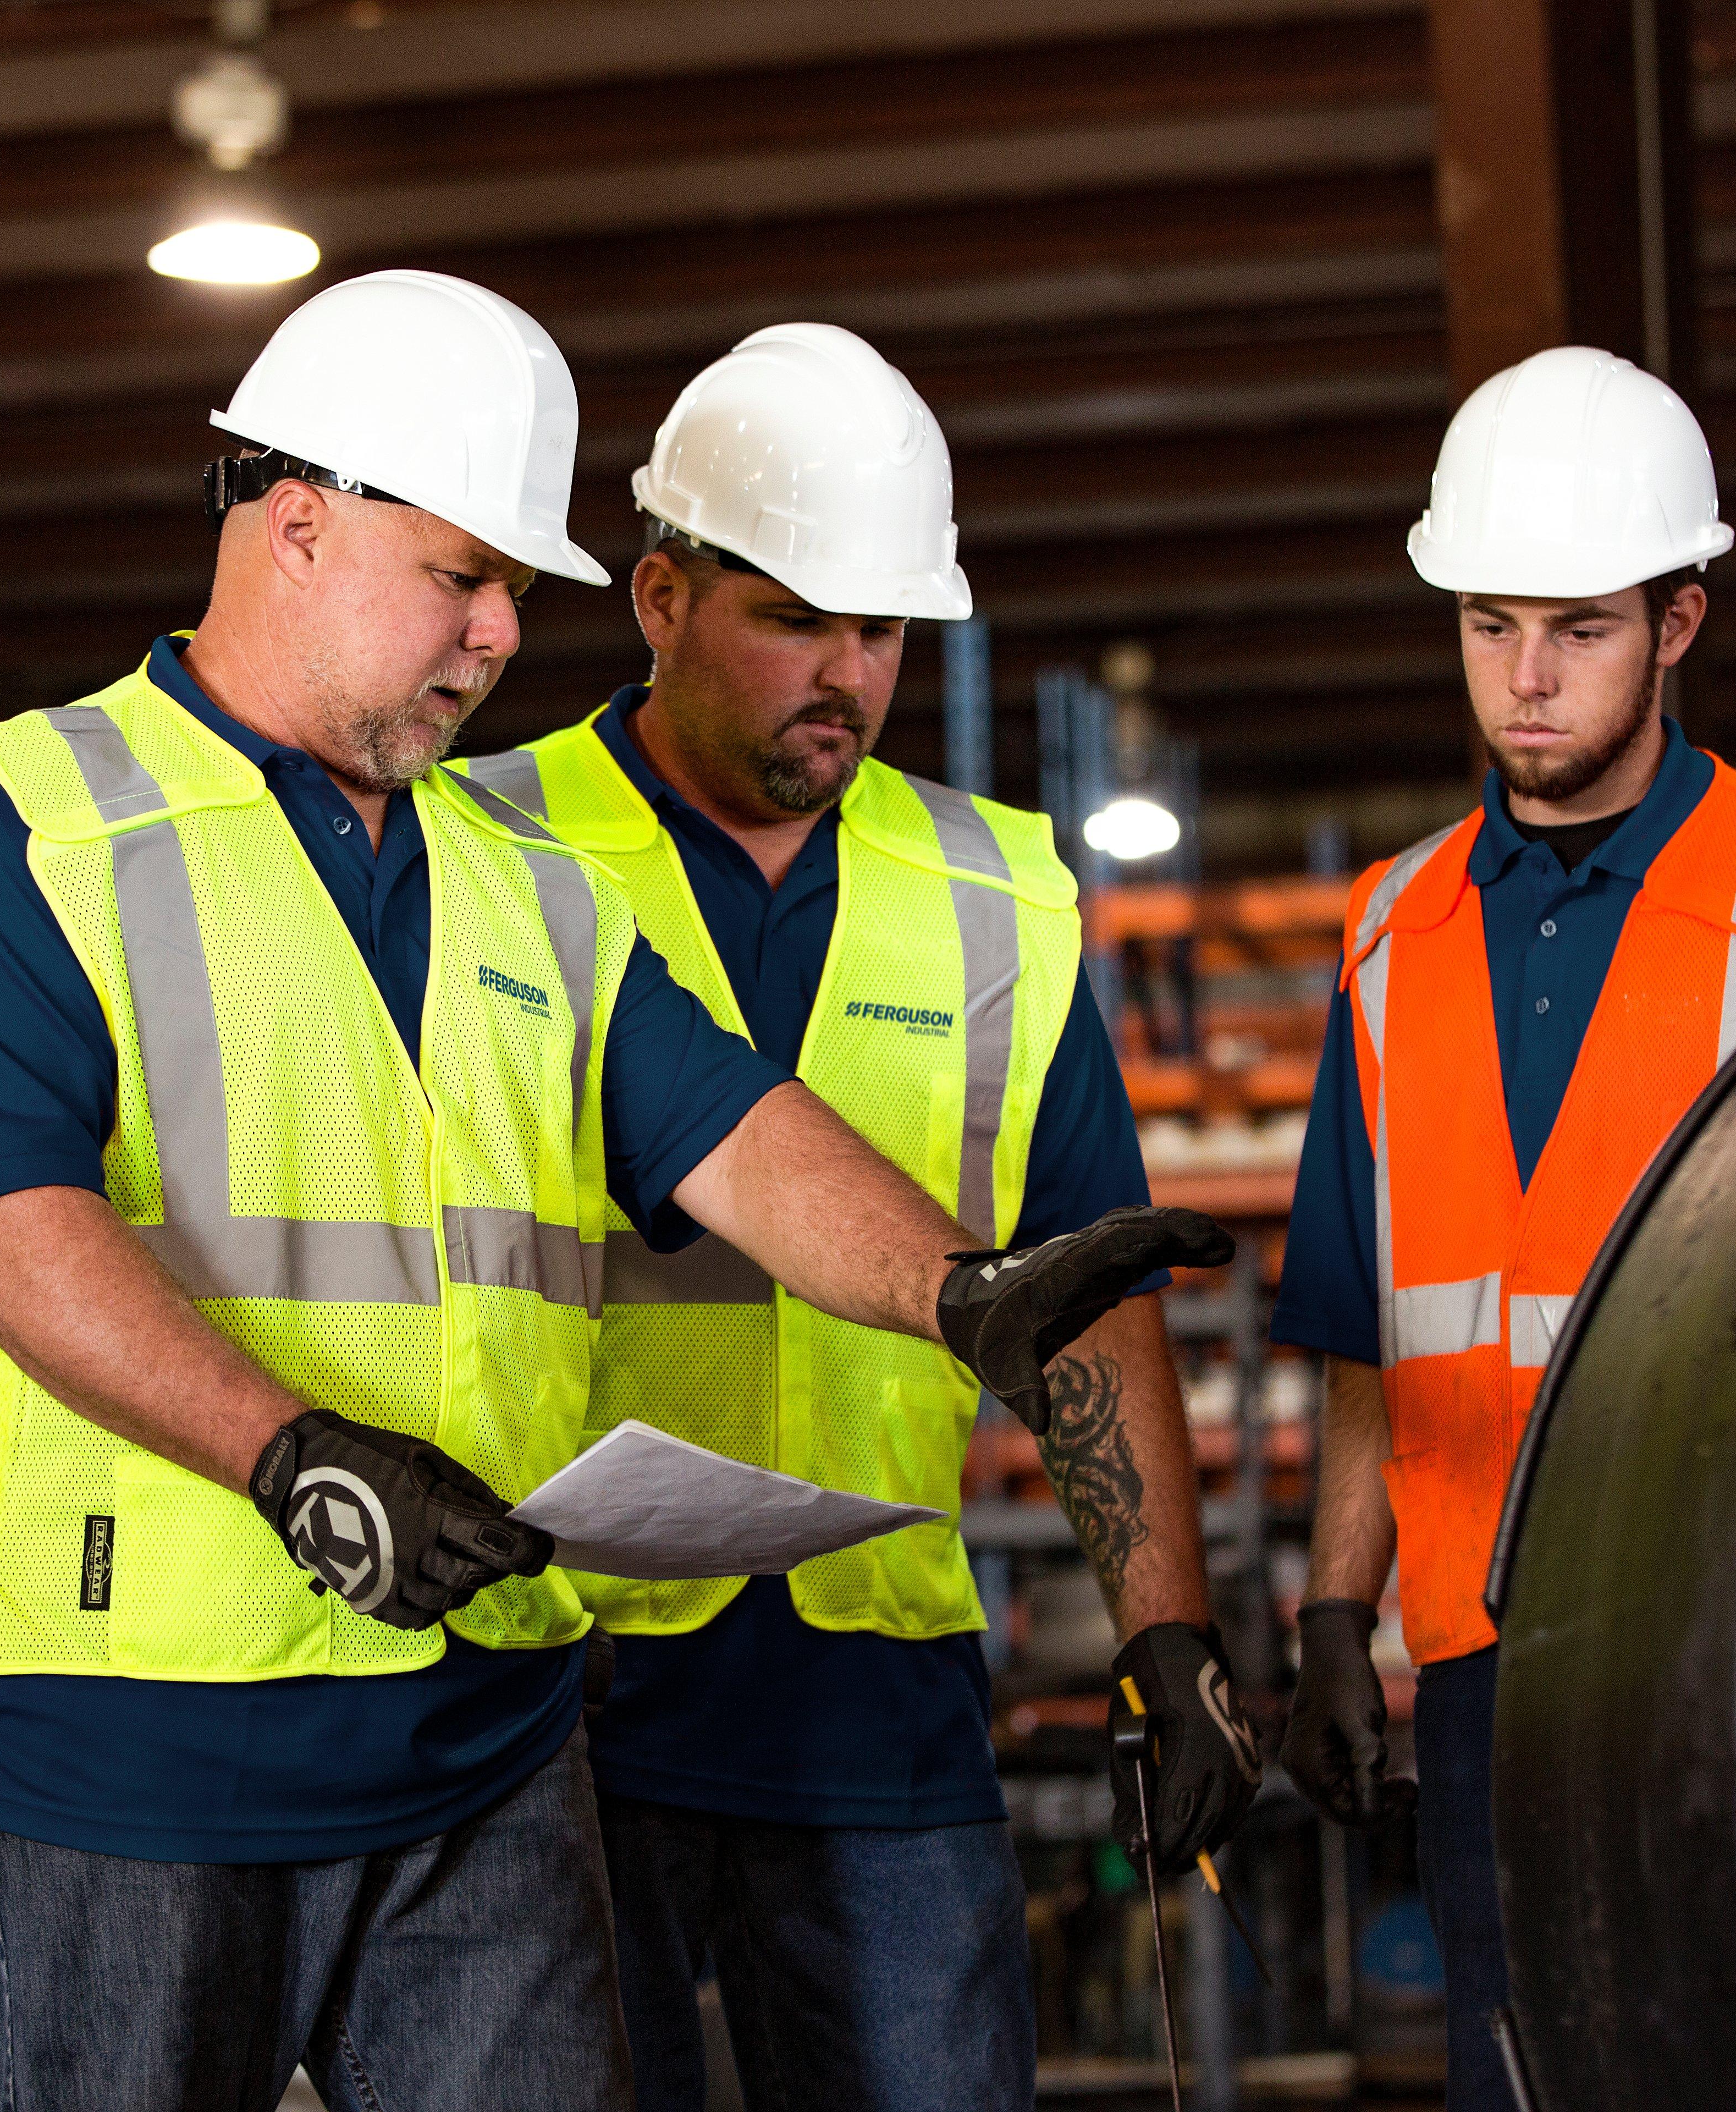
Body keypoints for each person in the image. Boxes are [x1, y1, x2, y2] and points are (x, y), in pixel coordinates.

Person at [0, 271, 1226, 2112]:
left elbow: (736, 1131)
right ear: (297, 525)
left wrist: (958, 1291)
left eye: (519, 591)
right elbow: (0, 1226)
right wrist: (291, 1455)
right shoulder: (29, 830)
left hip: (486, 1726)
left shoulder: (525, 891)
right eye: (464, 578)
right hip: (140, 1742)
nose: (506, 634)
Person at [465, 322, 1258, 2112]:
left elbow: (1089, 1279)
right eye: (793, 620)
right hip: (558, 1678)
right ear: (657, 595)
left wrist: (1167, 1633)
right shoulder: (475, 845)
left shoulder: (994, 890)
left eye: (882, 632)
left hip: (874, 1673)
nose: (846, 674)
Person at [1271, 345, 1736, 2112]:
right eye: (1489, 627)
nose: (1528, 682)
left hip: (1729, 1649)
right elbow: (1364, 1324)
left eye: (1581, 629)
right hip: (1478, 1674)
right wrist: (1338, 1611)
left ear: (1682, 622)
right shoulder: (1390, 930)